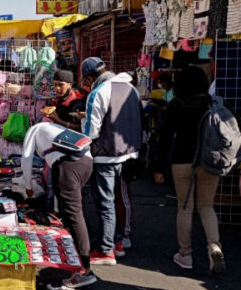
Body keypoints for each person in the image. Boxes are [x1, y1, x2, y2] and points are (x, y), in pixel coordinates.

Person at [154, 66, 225, 274]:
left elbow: (164, 138)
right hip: (209, 161)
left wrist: (159, 167)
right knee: (206, 206)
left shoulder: (176, 104)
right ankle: (214, 247)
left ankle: (185, 255)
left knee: (185, 208)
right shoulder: (211, 104)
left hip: (182, 161)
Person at [80, 57, 142, 265]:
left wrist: (81, 121)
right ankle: (118, 241)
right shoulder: (131, 89)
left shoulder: (99, 92)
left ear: (89, 78)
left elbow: (91, 131)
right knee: (120, 198)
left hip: (105, 156)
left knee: (105, 203)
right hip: (129, 154)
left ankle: (106, 250)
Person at [22, 122, 96, 288]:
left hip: (69, 165)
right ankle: (76, 259)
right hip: (86, 162)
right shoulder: (53, 127)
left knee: (74, 214)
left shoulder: (33, 131)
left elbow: (26, 158)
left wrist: (28, 188)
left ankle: (84, 270)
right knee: (70, 212)